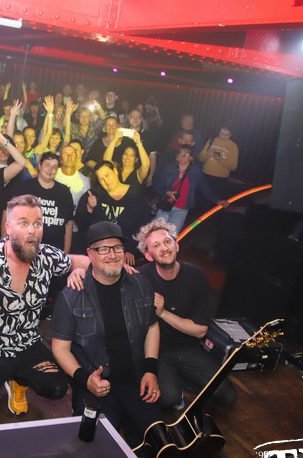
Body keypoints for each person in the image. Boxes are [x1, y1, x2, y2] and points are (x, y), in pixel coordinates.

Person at [0, 194, 88, 415]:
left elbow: (81, 260)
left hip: (26, 343)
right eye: (24, 223)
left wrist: (79, 270)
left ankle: (16, 380)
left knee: (57, 388)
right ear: (8, 228)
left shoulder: (47, 256)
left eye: (37, 224)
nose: (32, 231)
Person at [52, 221, 161, 443]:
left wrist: (150, 371)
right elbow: (60, 348)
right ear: (90, 253)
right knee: (94, 445)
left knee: (156, 443)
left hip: (135, 380)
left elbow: (152, 326)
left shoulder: (141, 284)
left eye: (117, 248)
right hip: (95, 383)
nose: (112, 255)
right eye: (103, 249)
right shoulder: (71, 295)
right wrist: (85, 380)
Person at [134, 218, 237, 410]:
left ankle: (182, 380)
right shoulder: (140, 278)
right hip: (156, 351)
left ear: (176, 245)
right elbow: (108, 273)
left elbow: (200, 331)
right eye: (156, 245)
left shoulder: (196, 276)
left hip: (188, 347)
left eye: (167, 241)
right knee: (169, 399)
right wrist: (77, 272)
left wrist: (162, 313)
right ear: (148, 255)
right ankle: (176, 384)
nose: (164, 248)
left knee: (228, 396)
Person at [74, 161, 152, 264]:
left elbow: (144, 225)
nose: (106, 181)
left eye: (107, 175)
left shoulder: (135, 194)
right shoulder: (93, 194)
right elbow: (80, 223)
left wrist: (130, 250)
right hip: (97, 254)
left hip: (124, 254)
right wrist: (89, 208)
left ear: (115, 171)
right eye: (101, 179)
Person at [4, 152, 74, 252]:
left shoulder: (64, 192)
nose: (50, 169)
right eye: (47, 165)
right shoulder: (23, 188)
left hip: (55, 251)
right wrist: (5, 245)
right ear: (40, 166)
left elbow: (69, 223)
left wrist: (66, 252)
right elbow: (7, 214)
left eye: (54, 167)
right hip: (25, 249)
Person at [152, 144, 225, 230]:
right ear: (177, 157)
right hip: (165, 206)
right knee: (157, 232)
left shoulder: (196, 171)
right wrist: (167, 193)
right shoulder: (169, 169)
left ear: (191, 158)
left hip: (181, 210)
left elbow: (205, 189)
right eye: (181, 154)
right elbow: (157, 186)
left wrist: (217, 200)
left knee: (171, 235)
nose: (183, 156)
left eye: (186, 154)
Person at [199, 124, 239, 198]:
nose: (223, 136)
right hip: (206, 175)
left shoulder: (233, 146)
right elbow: (201, 158)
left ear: (231, 134)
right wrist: (208, 154)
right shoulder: (211, 140)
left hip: (221, 179)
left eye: (226, 135)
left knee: (216, 201)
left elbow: (233, 167)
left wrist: (220, 159)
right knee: (202, 199)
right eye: (221, 134)